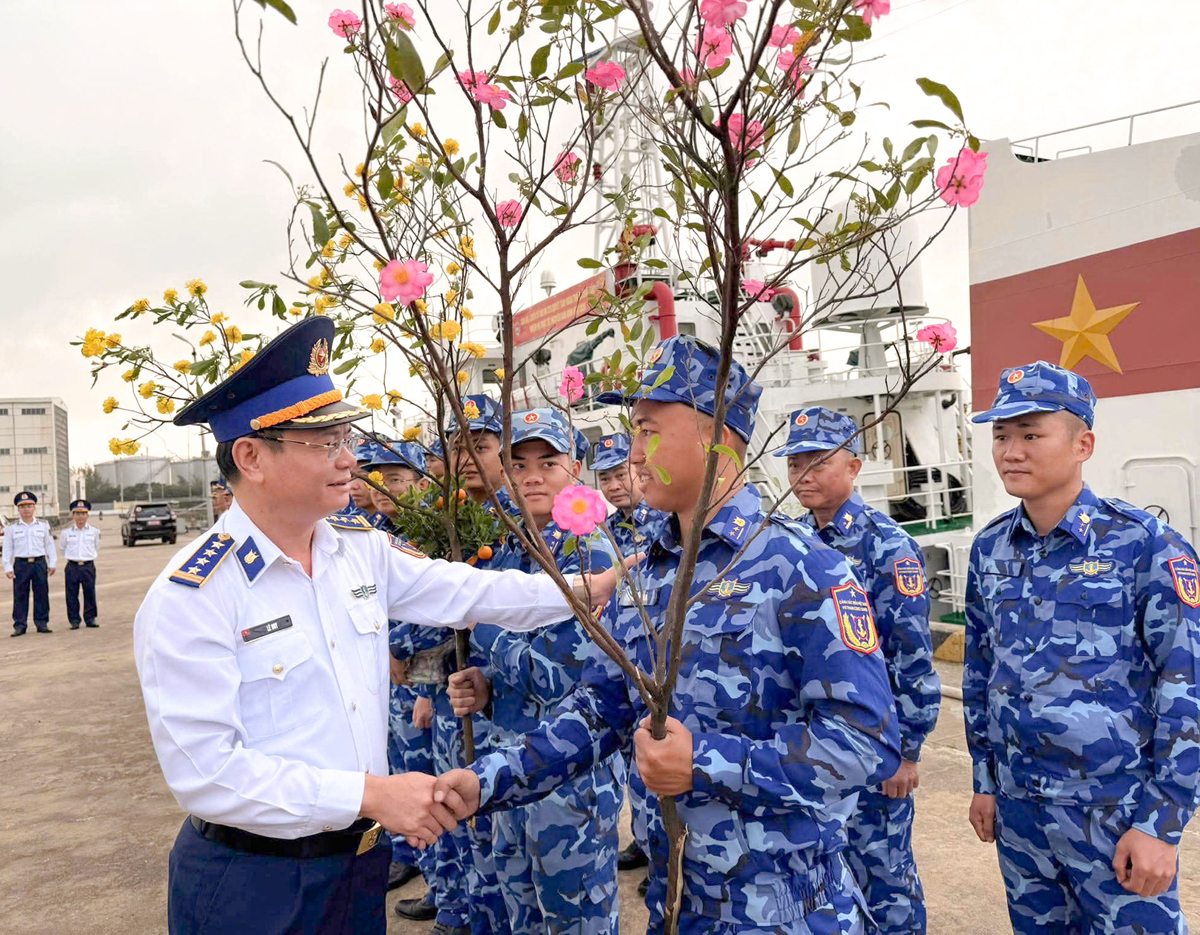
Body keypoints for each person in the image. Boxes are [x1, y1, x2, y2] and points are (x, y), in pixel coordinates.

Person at [133, 317, 623, 935]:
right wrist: (369, 795)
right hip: (253, 881)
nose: (350, 458)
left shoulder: (354, 549)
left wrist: (584, 590)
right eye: (323, 442)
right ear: (251, 456)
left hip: (355, 867)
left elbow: (468, 591)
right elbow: (208, 773)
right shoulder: (196, 594)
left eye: (346, 435)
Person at [438, 335, 901, 935]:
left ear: (716, 435)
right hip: (678, 901)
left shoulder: (801, 569)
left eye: (649, 429)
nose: (632, 452)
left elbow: (865, 742)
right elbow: (601, 709)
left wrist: (704, 763)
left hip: (782, 912)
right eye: (634, 430)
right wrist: (487, 781)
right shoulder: (649, 573)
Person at [964, 360, 1200, 935]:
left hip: (1114, 812)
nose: (1010, 451)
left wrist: (1162, 823)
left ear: (1082, 444)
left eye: (1030, 434)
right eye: (1000, 435)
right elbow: (980, 671)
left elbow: (1186, 683)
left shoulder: (1146, 545)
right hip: (1021, 812)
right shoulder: (990, 548)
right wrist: (986, 782)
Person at [449, 409, 622, 935]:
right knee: (519, 915)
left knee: (575, 922)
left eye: (548, 461)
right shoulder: (508, 548)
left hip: (569, 783)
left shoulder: (591, 552)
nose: (531, 475)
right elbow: (517, 666)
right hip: (508, 767)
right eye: (518, 462)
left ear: (575, 467)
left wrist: (477, 621)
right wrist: (483, 684)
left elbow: (559, 676)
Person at [778, 406, 941, 935]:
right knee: (822, 880)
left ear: (854, 466)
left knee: (885, 876)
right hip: (814, 745)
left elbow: (911, 658)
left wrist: (906, 751)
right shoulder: (789, 543)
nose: (803, 472)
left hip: (874, 748)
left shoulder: (888, 547)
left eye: (818, 460)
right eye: (795, 460)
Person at [362, 440, 438, 898]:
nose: (380, 488)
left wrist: (399, 646)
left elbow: (442, 611)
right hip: (388, 678)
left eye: (393, 478)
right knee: (394, 771)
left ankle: (442, 891)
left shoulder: (426, 533)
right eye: (376, 479)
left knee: (424, 779)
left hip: (422, 675)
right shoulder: (371, 534)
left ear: (419, 483)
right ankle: (410, 860)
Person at [591, 430, 667, 887]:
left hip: (660, 662)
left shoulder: (660, 522)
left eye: (622, 473)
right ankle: (644, 842)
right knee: (636, 772)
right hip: (626, 659)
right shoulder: (606, 532)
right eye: (606, 477)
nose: (616, 484)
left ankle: (661, 859)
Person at [4, 491, 57, 636]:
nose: (26, 509)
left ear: (34, 507)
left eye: (29, 506)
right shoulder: (12, 528)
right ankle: (20, 625)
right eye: (23, 506)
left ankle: (42, 623)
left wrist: (52, 562)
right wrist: (8, 567)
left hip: (39, 563)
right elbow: (8, 549)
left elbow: (49, 545)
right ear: (18, 509)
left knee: (41, 593)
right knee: (20, 595)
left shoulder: (43, 525)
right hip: (21, 564)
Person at [60, 498, 102, 629]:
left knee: (89, 592)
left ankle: (90, 619)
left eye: (83, 513)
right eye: (77, 513)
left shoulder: (94, 531)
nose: (80, 516)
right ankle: (74, 620)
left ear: (87, 515)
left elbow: (96, 546)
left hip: (88, 565)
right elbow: (63, 548)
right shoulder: (66, 533)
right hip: (72, 566)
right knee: (71, 594)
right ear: (73, 515)